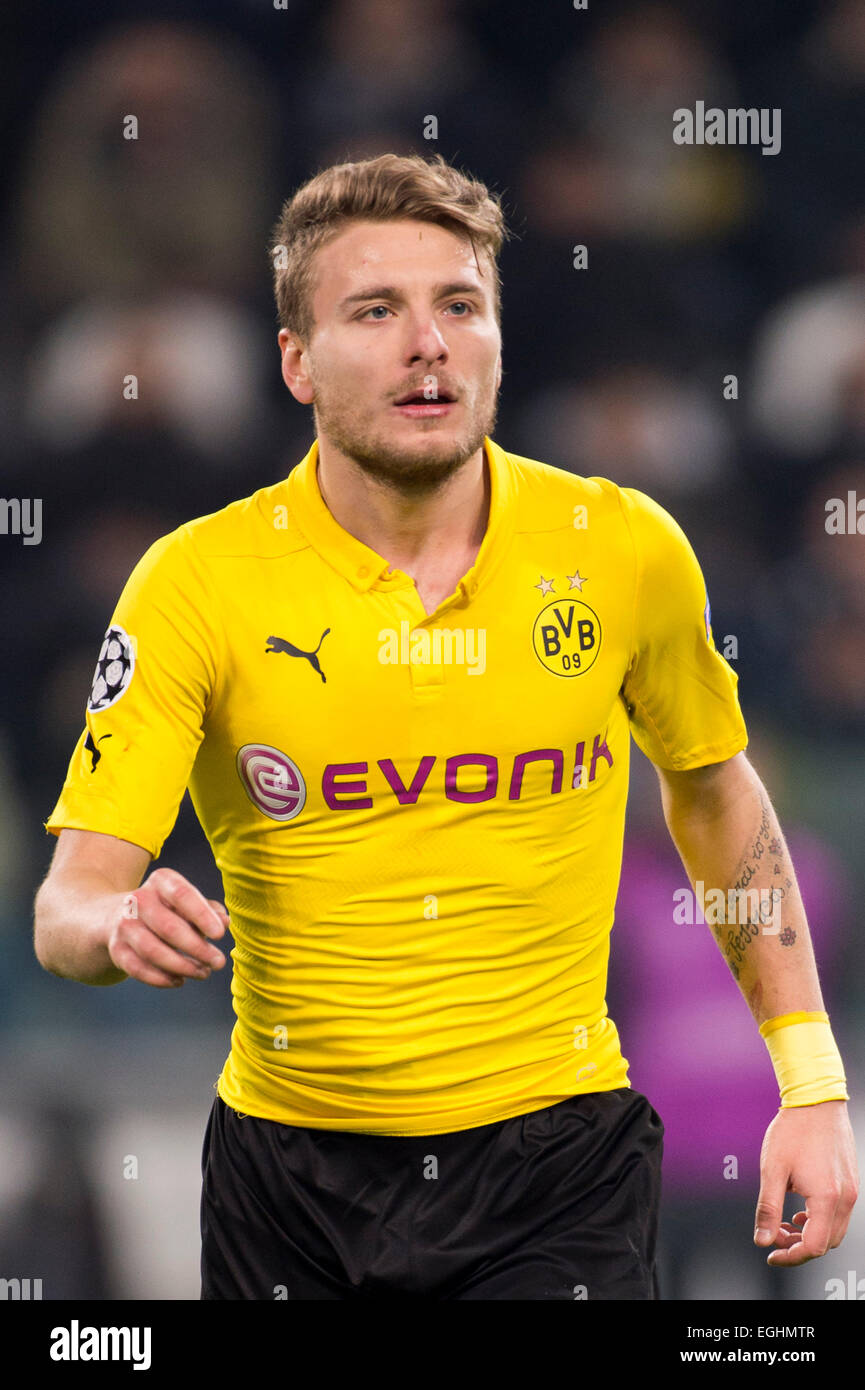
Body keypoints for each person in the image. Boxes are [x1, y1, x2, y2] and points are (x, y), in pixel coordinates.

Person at [34, 153, 857, 1301]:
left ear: (496, 342)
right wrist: (116, 921)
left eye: (458, 305)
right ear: (296, 363)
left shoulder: (621, 550)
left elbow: (715, 793)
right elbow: (66, 905)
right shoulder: (196, 585)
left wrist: (810, 1084)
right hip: (288, 1179)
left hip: (557, 1164)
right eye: (375, 310)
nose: (427, 342)